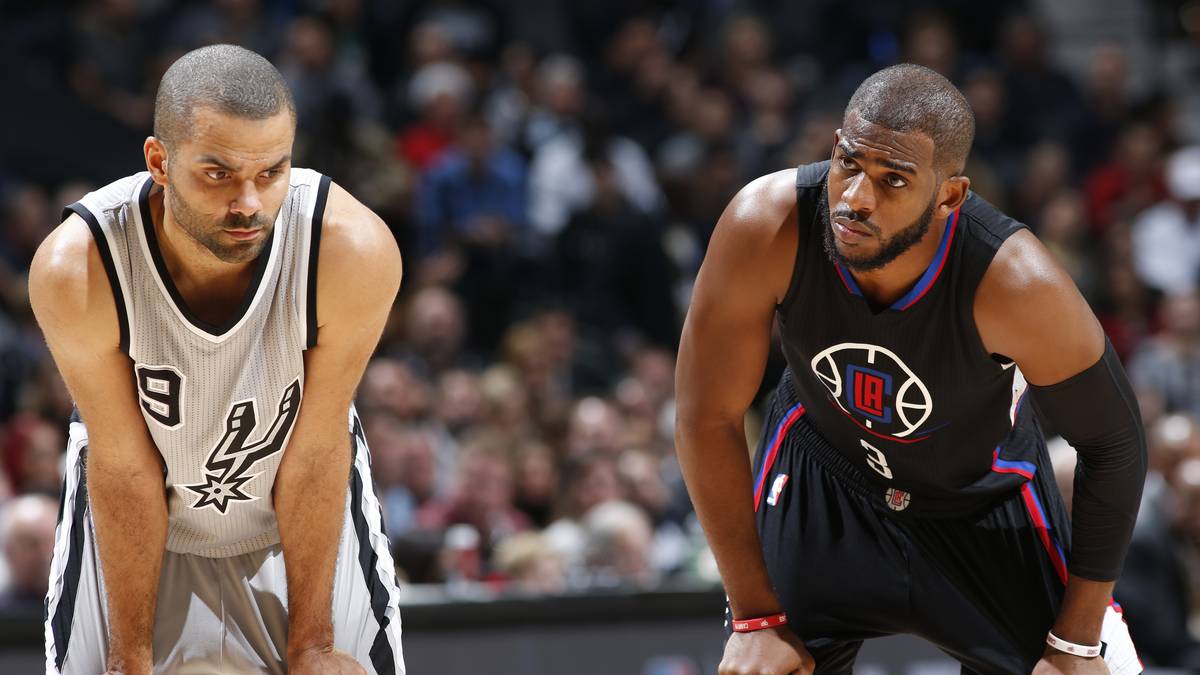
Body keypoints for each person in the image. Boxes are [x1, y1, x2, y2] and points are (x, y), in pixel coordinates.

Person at [675, 64, 1146, 675]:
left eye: (893, 179)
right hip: (825, 480)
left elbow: (1114, 443)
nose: (855, 200)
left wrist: (1075, 645)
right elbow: (705, 415)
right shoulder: (767, 225)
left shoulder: (1016, 283)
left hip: (982, 502)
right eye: (850, 164)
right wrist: (754, 618)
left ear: (949, 196)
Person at [29, 45, 404, 675]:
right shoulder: (78, 267)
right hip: (140, 519)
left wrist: (311, 644)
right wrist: (131, 656)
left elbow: (317, 447)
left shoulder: (352, 251)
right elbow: (122, 465)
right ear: (160, 162)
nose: (249, 203)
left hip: (302, 512)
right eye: (219, 173)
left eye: (271, 172)